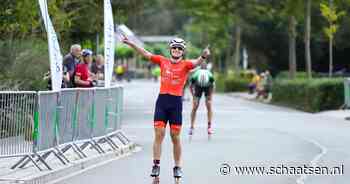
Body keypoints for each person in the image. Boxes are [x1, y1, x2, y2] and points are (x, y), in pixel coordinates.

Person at [123, 36, 210, 181]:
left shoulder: (186, 64)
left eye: (179, 48)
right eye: (174, 48)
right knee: (159, 133)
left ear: (182, 52)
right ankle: (156, 165)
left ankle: (177, 167)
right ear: (170, 49)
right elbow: (146, 53)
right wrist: (131, 44)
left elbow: (197, 62)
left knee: (175, 137)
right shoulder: (162, 61)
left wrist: (203, 56)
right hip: (162, 101)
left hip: (175, 103)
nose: (176, 50)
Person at [189, 62, 215, 135]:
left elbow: (213, 87)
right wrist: (193, 97)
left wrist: (210, 97)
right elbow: (190, 87)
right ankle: (191, 127)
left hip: (208, 87)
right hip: (198, 87)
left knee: (209, 105)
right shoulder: (195, 75)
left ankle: (209, 126)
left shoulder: (210, 75)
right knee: (195, 106)